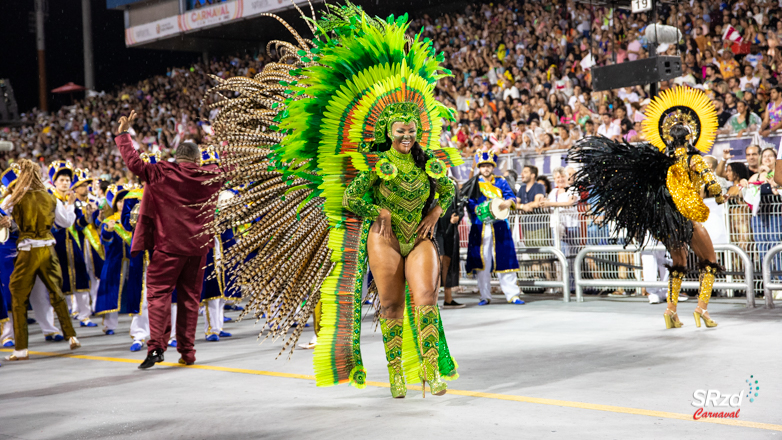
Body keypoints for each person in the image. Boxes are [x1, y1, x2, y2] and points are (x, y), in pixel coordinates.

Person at [203, 7, 459, 399]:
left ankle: (429, 368)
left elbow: (449, 190)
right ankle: (395, 373)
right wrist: (381, 212)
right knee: (390, 305)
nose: (407, 134)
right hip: (383, 238)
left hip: (419, 237)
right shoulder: (378, 164)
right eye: (400, 129)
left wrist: (438, 212)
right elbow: (355, 195)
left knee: (425, 299)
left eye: (412, 129)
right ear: (388, 131)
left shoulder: (430, 164)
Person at [570, 87, 725, 330]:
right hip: (687, 217)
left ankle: (671, 312)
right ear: (691, 137)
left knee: (679, 262)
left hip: (665, 220)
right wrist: (721, 196)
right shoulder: (695, 159)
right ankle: (701, 309)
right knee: (710, 261)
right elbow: (714, 186)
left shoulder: (662, 161)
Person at [114, 110, 222, 369]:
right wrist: (226, 138)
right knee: (189, 299)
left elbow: (133, 163)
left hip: (167, 247)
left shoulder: (162, 171)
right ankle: (187, 352)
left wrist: (123, 134)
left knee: (158, 295)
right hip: (197, 250)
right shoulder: (211, 176)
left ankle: (157, 347)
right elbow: (235, 164)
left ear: (177, 157)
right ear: (198, 159)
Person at [3, 159, 80, 361]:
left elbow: (1, 212)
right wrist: (70, 206)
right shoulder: (49, 197)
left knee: (18, 297)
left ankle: (21, 349)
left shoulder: (15, 197)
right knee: (56, 292)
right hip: (48, 249)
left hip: (28, 251)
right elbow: (66, 222)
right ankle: (71, 336)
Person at [463, 152, 522, 306]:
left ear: (493, 167)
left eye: (488, 165)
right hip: (480, 226)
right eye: (483, 166)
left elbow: (511, 196)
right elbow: (468, 202)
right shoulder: (473, 183)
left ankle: (513, 295)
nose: (486, 168)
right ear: (479, 168)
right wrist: (476, 209)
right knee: (483, 262)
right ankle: (485, 295)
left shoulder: (502, 182)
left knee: (506, 259)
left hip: (500, 227)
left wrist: (509, 202)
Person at [435, 177, 465, 309]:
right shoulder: (429, 180)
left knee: (448, 262)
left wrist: (458, 216)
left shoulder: (452, 183)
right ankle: (430, 300)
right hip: (433, 228)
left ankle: (448, 299)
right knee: (437, 263)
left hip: (449, 229)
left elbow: (460, 206)